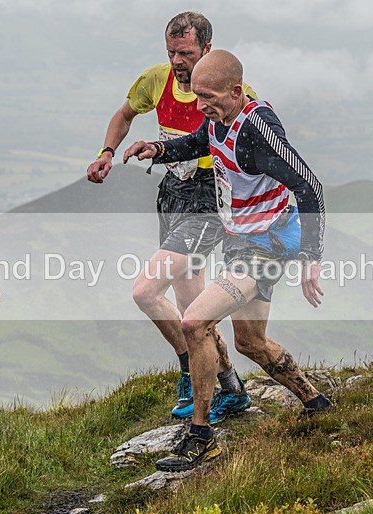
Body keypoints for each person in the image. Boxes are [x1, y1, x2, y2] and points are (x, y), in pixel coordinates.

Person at [124, 50, 333, 472]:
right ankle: (317, 403)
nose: (200, 105)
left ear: (235, 91)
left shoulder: (257, 128)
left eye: (209, 97)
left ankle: (201, 437)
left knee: (194, 322)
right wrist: (159, 148)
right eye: (197, 96)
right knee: (250, 342)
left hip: (269, 245)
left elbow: (310, 185)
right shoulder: (218, 116)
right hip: (243, 239)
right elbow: (200, 140)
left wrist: (312, 256)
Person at [87, 12, 257, 423]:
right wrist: (106, 153)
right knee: (190, 303)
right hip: (172, 194)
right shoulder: (157, 80)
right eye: (172, 52)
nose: (178, 61)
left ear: (207, 51)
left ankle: (187, 370)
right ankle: (231, 389)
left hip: (208, 202)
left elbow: (259, 140)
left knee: (146, 291)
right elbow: (124, 114)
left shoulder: (231, 92)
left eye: (187, 53)